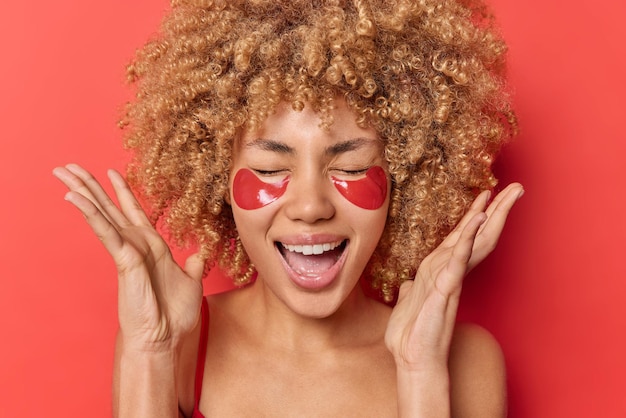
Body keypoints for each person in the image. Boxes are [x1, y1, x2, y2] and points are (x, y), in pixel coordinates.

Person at [54, 0, 523, 416]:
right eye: (270, 167)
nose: (311, 206)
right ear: (217, 174)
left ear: (406, 172)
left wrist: (420, 372)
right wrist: (151, 352)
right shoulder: (174, 344)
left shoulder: (464, 362)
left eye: (354, 165)